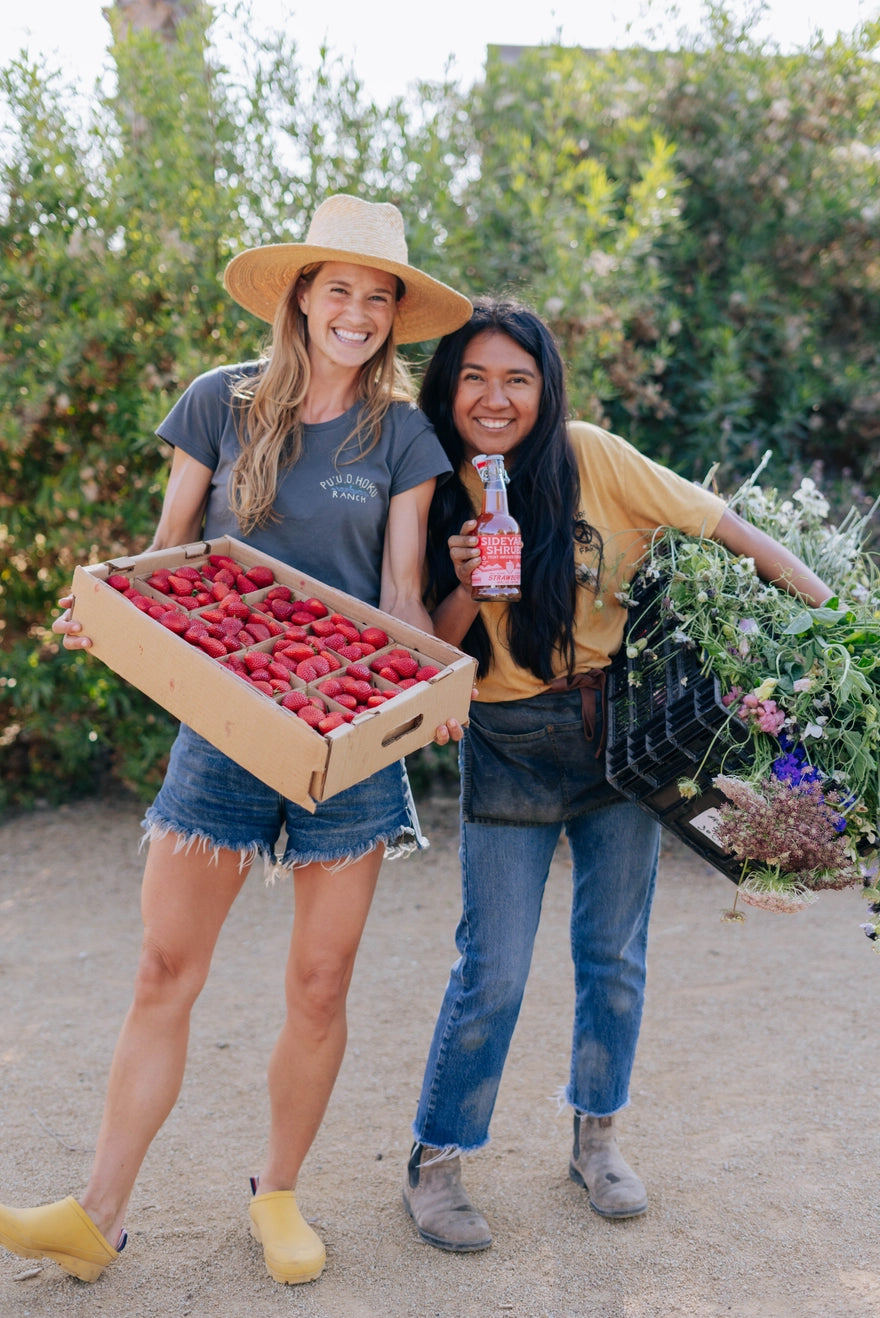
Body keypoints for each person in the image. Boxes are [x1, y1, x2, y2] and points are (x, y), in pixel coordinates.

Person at [0, 194, 472, 1286]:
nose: (355, 311)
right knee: (165, 966)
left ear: (394, 316)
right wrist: (104, 607)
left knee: (318, 985)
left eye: (377, 295)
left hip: (345, 740)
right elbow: (166, 556)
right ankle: (98, 1213)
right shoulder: (221, 401)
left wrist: (432, 681)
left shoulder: (400, 433)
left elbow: (401, 590)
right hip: (222, 726)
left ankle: (278, 1194)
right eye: (338, 287)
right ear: (300, 294)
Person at [401, 297, 833, 1252]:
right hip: (505, 736)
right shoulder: (427, 482)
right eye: (474, 376)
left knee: (615, 959)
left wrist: (838, 620)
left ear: (546, 387)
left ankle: (597, 1141)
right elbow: (421, 655)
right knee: (495, 971)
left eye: (517, 377)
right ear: (448, 387)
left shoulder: (593, 455)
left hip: (617, 732)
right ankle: (435, 1162)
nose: (495, 396)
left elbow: (733, 532)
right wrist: (470, 582)